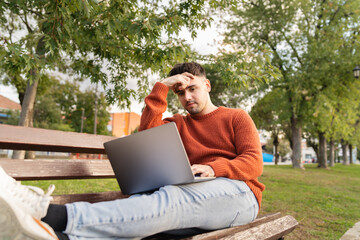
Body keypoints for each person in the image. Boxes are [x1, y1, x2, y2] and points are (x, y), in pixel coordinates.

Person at [0, 62, 265, 240]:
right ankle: (57, 236)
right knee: (154, 213)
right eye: (180, 92)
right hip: (193, 195)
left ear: (207, 86)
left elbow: (253, 163)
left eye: (193, 88)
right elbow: (149, 133)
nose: (187, 97)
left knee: (170, 197)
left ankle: (48, 213)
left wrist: (213, 168)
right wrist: (161, 86)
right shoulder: (178, 123)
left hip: (239, 196)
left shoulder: (236, 117)